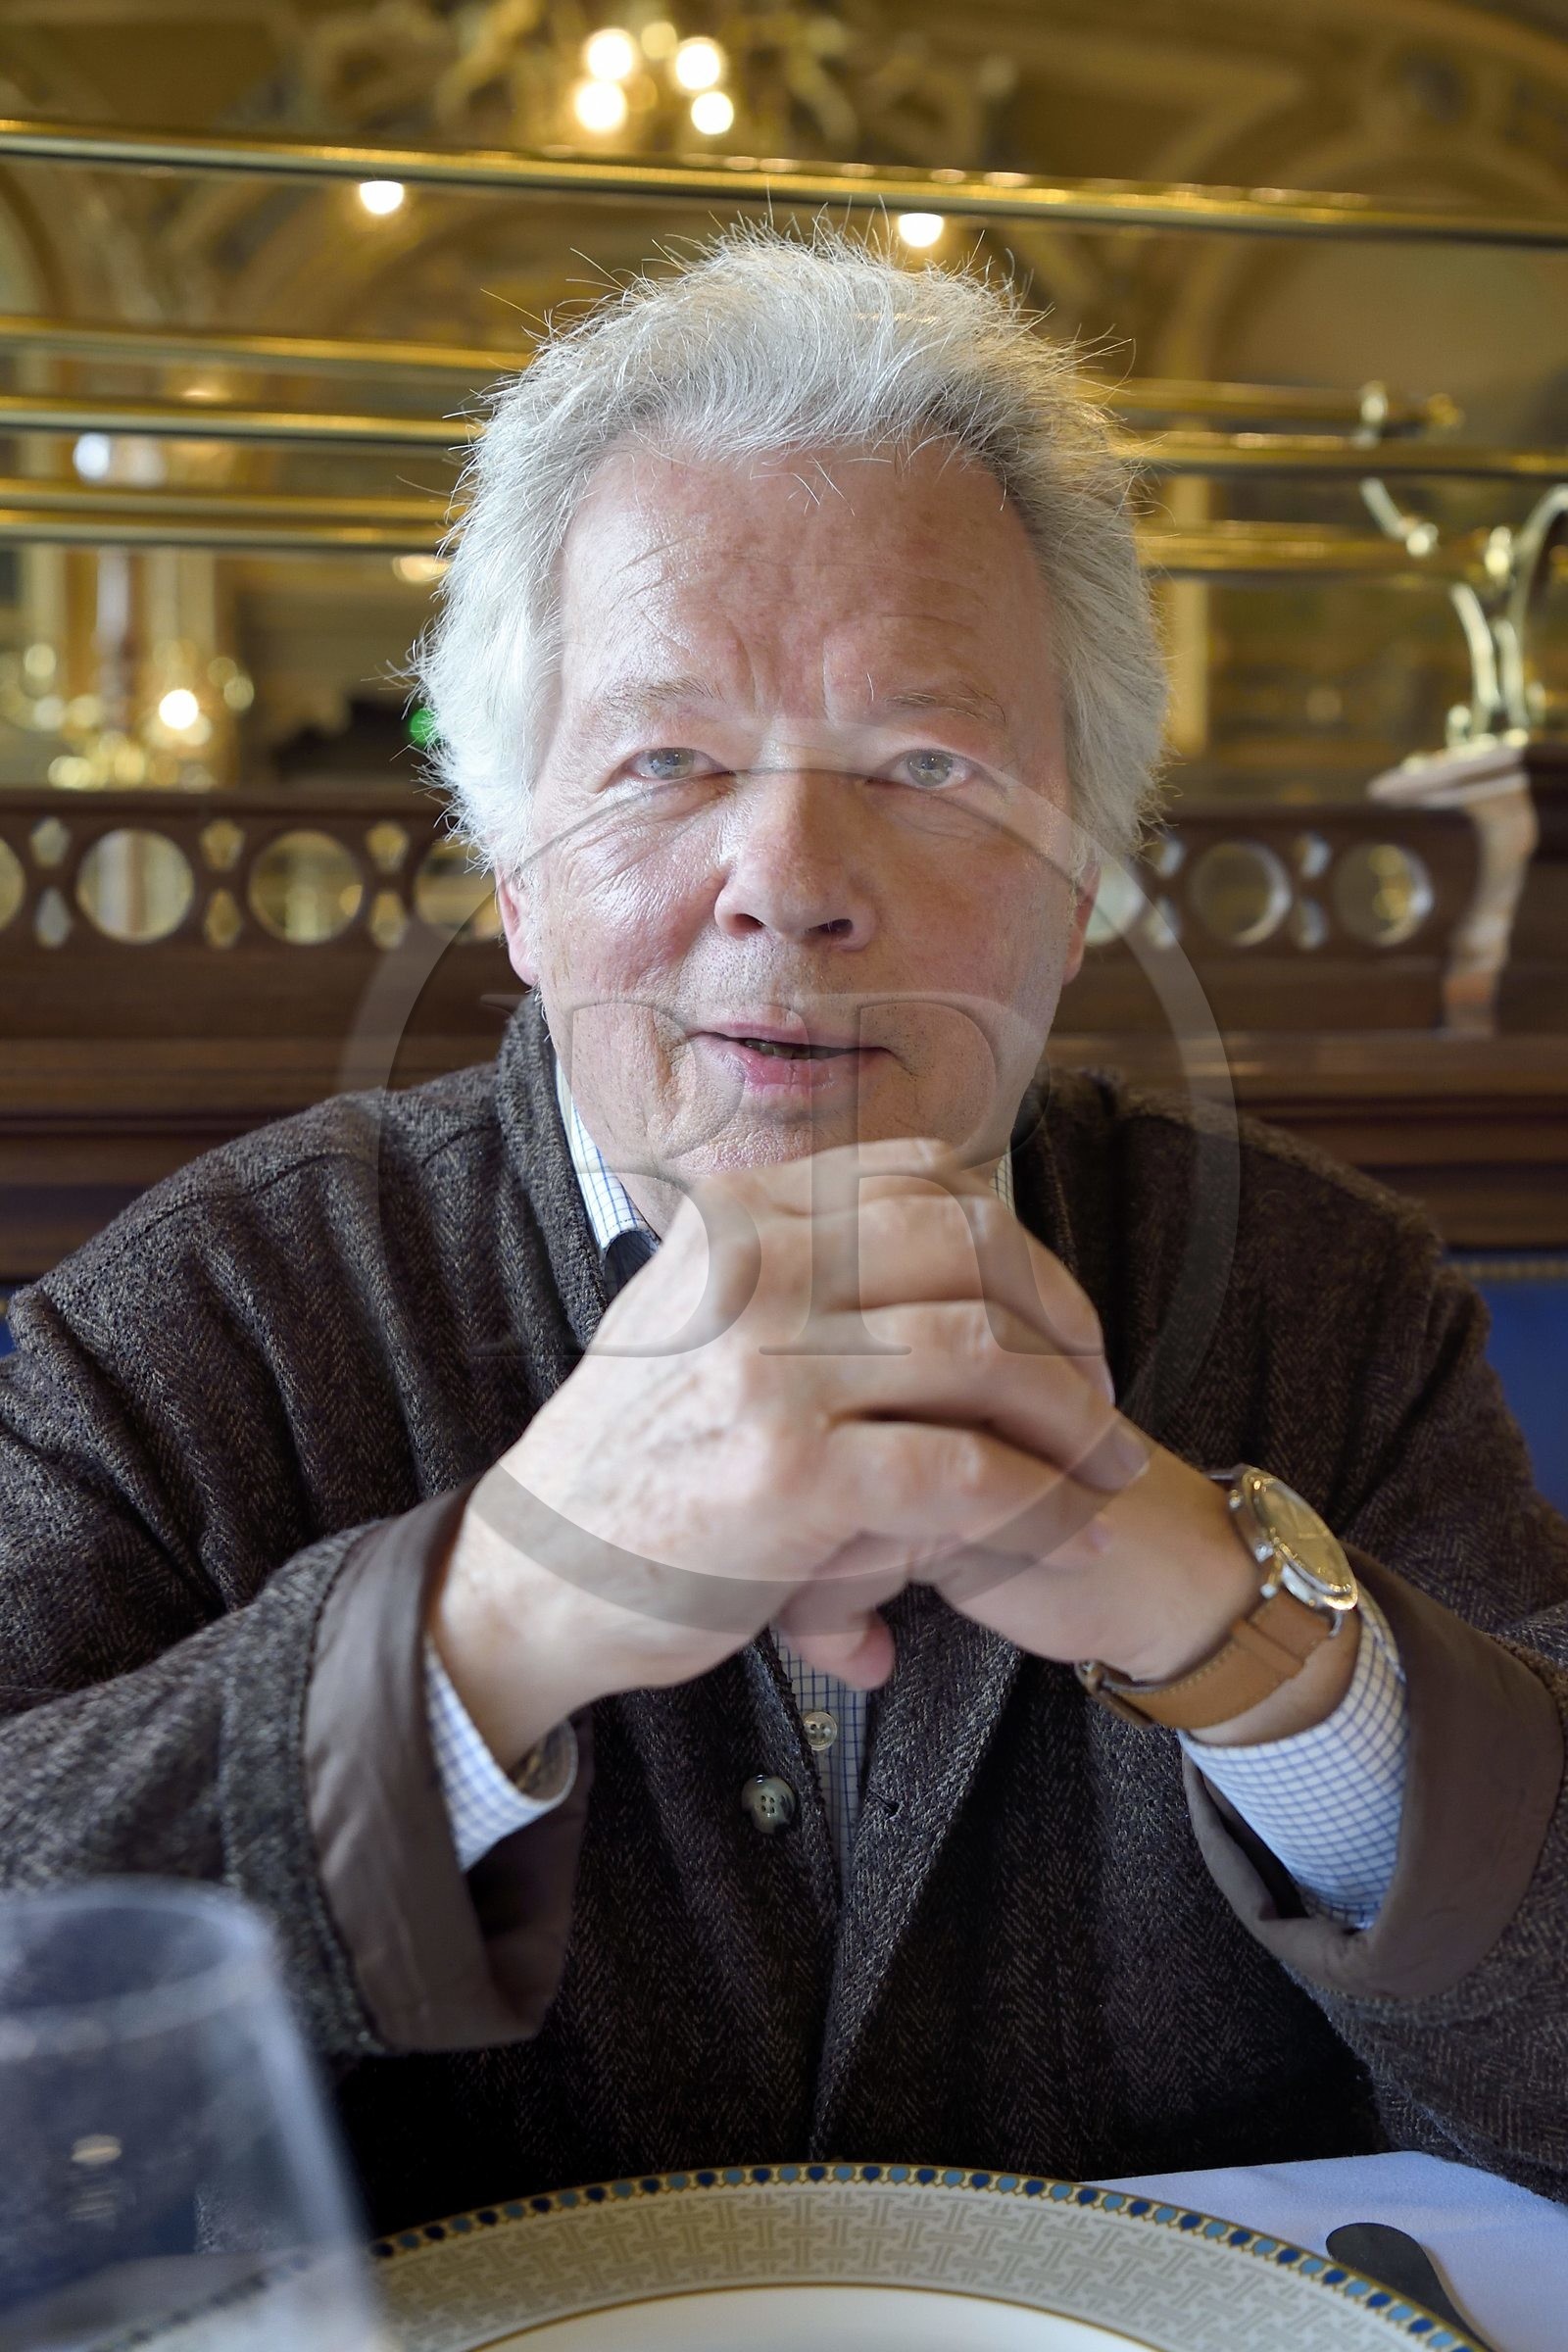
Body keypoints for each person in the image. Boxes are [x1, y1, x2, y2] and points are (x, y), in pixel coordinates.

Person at [2, 228, 1566, 2238]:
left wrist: (1245, 1645)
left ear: (1082, 870)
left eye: (928, 767)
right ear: (510, 874)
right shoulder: (194, 1329)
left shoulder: (1326, 1304)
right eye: (666, 762)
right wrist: (486, 1627)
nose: (787, 882)